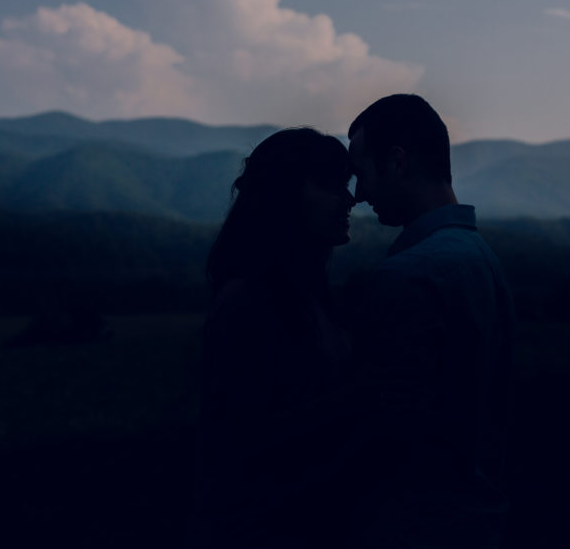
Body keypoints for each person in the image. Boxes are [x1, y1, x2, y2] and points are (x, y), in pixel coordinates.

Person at [345, 94, 515, 548]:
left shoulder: (408, 275)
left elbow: (388, 436)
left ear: (398, 162)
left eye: (361, 173)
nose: (358, 195)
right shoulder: (483, 260)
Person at [194, 128, 356, 548]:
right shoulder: (248, 302)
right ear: (284, 195)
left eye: (346, 185)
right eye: (329, 184)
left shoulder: (311, 297)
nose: (349, 199)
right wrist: (367, 395)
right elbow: (241, 441)